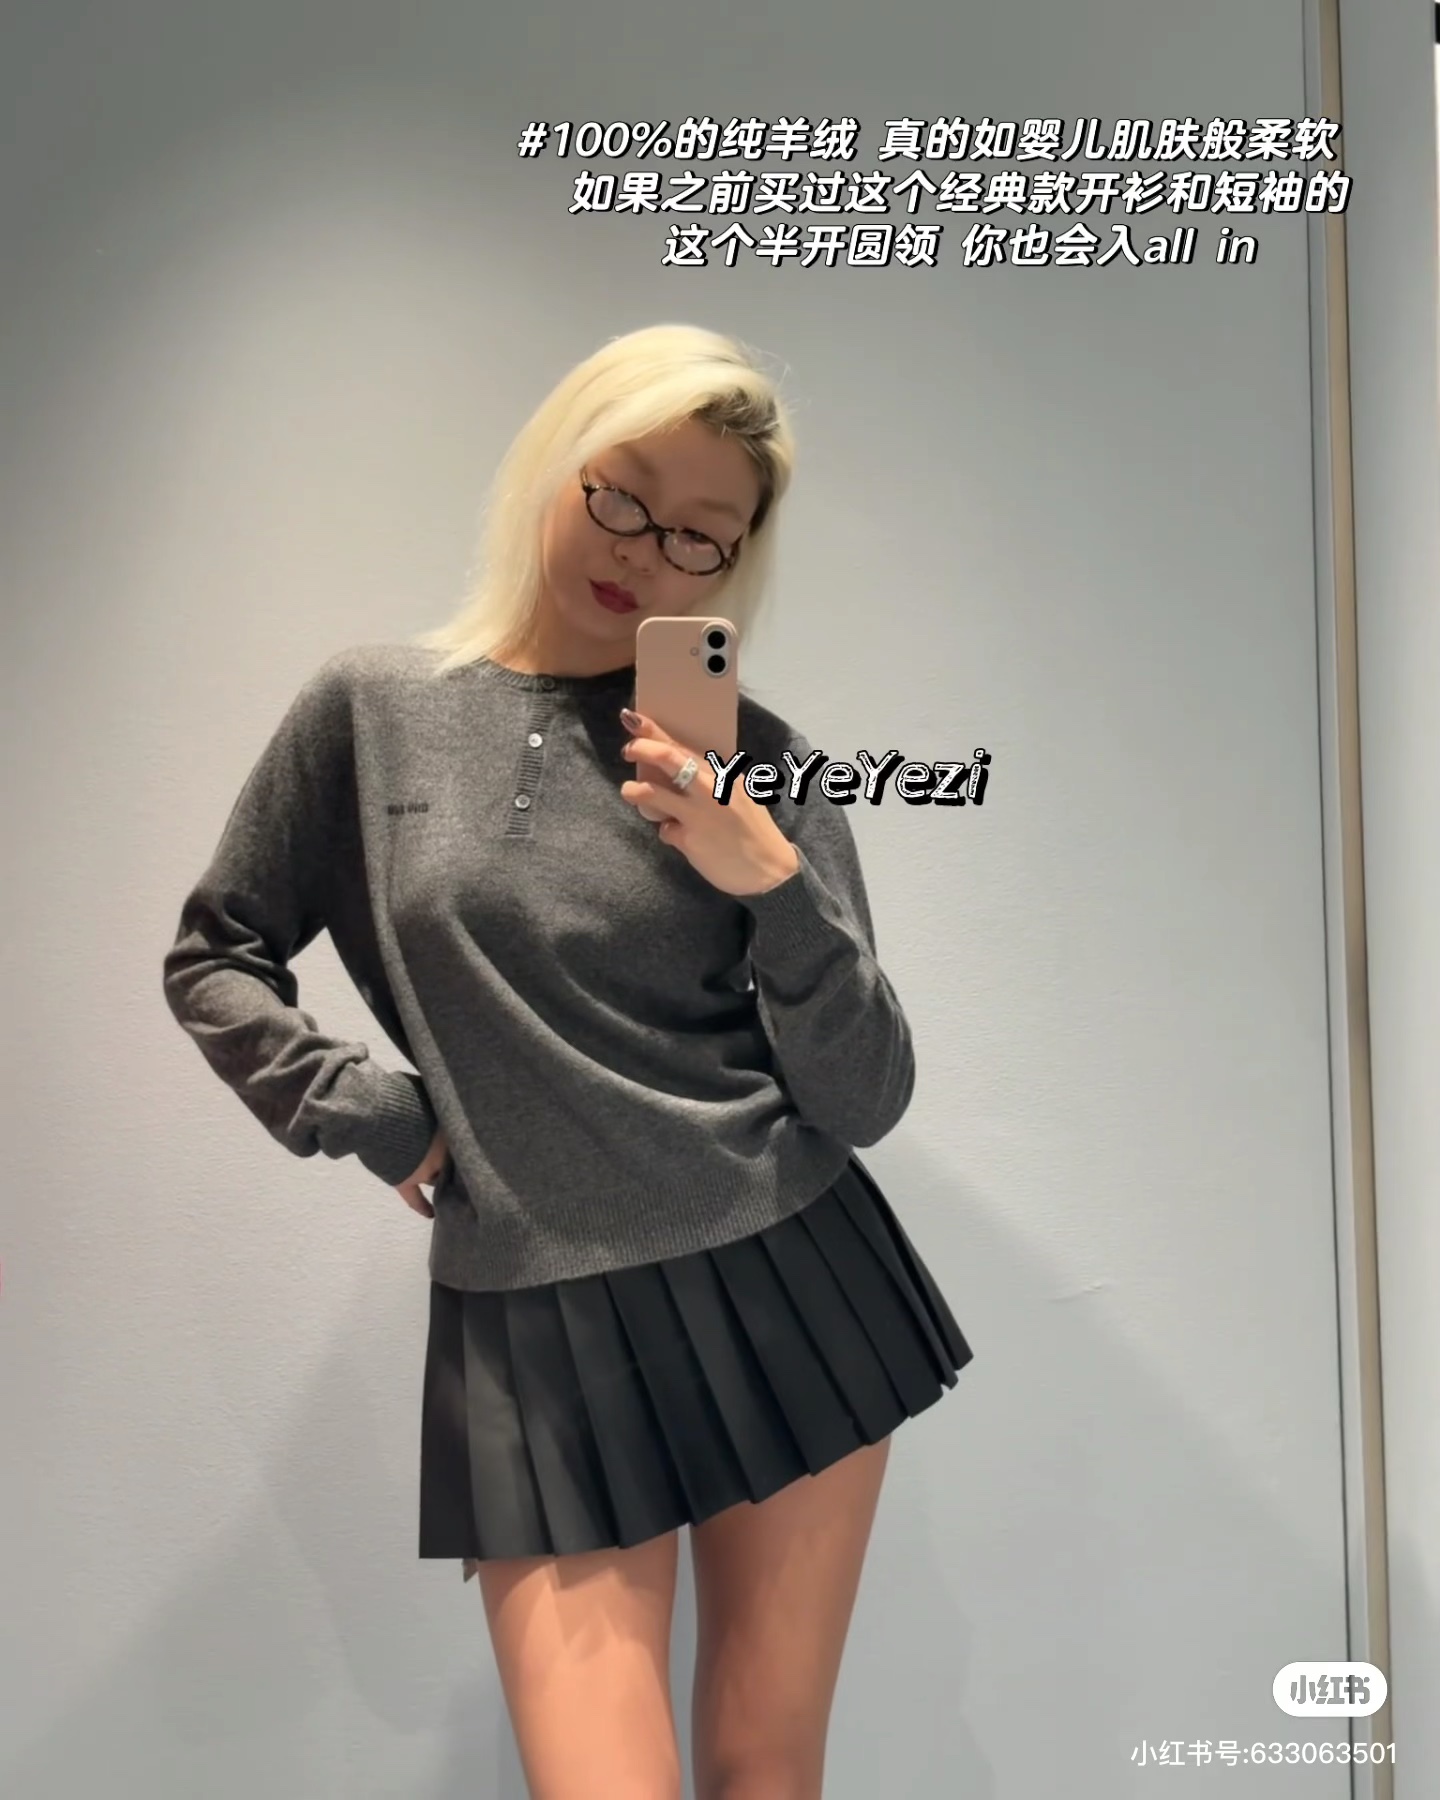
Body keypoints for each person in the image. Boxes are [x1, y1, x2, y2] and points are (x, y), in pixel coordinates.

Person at [163, 321, 973, 1800]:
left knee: (765, 1770)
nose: (644, 552)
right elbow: (216, 953)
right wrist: (374, 1112)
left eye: (697, 534)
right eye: (622, 494)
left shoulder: (757, 759)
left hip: (788, 1267)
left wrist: (768, 878)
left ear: (732, 566)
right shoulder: (373, 711)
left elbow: (864, 1096)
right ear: (558, 462)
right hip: (530, 1314)